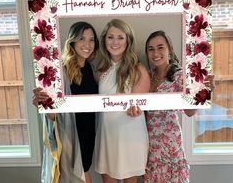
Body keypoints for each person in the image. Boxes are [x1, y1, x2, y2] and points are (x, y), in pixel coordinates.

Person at [142, 30, 214, 183]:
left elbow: (190, 112)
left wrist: (203, 90)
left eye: (160, 47)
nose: (156, 53)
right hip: (150, 149)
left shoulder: (179, 76)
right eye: (151, 49)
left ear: (169, 49)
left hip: (171, 147)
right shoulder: (147, 76)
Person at [33, 21, 99, 183]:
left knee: (83, 173)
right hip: (70, 134)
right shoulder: (60, 71)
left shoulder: (90, 68)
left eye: (91, 40)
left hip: (87, 134)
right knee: (75, 176)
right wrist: (44, 105)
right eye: (82, 39)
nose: (87, 44)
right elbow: (54, 116)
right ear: (72, 41)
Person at [94, 19, 150, 183]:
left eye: (120, 37)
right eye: (110, 37)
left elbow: (140, 105)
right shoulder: (100, 70)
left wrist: (136, 108)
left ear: (128, 40)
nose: (115, 42)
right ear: (104, 40)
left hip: (130, 135)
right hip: (106, 134)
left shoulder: (138, 69)